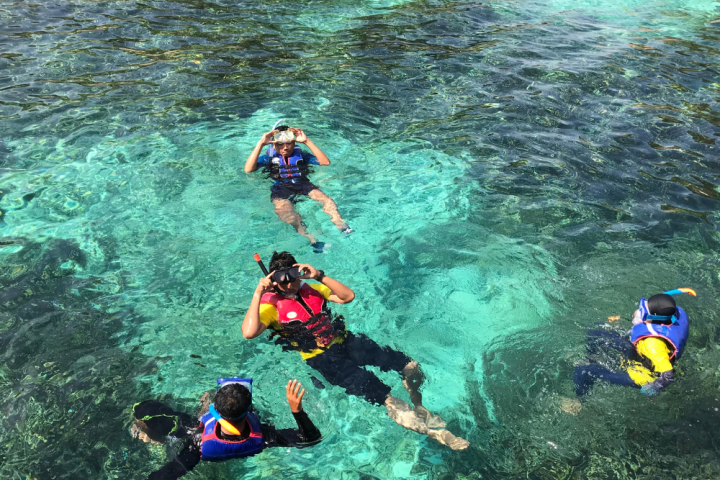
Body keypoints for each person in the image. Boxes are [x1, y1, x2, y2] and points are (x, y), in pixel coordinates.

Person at [241, 251, 470, 450]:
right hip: (322, 359)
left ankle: (419, 405)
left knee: (410, 366)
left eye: (293, 275)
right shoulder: (271, 306)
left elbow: (347, 297)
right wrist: (258, 292)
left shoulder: (311, 288)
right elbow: (249, 332)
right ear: (273, 280)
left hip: (347, 341)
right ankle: (437, 434)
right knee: (387, 399)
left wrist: (318, 275)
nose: (290, 283)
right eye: (283, 280)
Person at [131, 378, 321, 479]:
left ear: (216, 411)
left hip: (200, 433)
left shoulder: (197, 442)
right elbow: (311, 439)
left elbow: (166, 475)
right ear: (250, 410)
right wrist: (297, 411)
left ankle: (151, 432)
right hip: (244, 435)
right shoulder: (265, 436)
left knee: (145, 409)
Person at [244, 124, 352, 252]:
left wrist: (307, 141)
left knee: (325, 200)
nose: (285, 147)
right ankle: (313, 240)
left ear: (294, 142)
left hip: (303, 184)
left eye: (289, 143)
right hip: (280, 189)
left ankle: (342, 226)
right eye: (280, 144)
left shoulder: (302, 156)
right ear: (273, 144)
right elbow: (248, 169)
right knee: (287, 214)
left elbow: (325, 162)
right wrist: (261, 144)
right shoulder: (268, 158)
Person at [574, 288, 694, 396]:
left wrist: (654, 388)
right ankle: (591, 358)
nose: (637, 313)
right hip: (640, 352)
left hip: (640, 376)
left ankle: (577, 402)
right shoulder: (669, 317)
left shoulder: (653, 344)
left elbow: (668, 375)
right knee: (595, 334)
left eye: (643, 312)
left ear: (655, 319)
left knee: (584, 371)